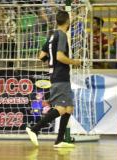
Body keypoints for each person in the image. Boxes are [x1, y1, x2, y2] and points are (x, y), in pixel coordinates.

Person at [26, 10, 80, 148]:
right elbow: (60, 57)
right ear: (67, 22)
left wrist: (52, 63)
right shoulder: (62, 35)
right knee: (62, 109)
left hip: (56, 75)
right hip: (61, 76)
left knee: (69, 108)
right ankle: (34, 129)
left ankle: (59, 140)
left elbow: (41, 56)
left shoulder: (51, 36)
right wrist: (75, 62)